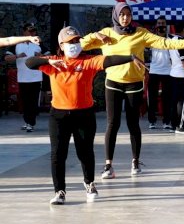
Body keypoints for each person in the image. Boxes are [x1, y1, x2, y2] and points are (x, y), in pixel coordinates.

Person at [80, 3, 184, 179]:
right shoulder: (107, 33)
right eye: (122, 15)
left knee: (133, 124)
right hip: (113, 83)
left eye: (128, 14)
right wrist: (95, 35)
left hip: (134, 83)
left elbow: (164, 42)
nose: (125, 18)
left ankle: (135, 161)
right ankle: (108, 165)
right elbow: (80, 45)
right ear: (116, 15)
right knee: (113, 124)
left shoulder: (140, 33)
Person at [26, 26, 143, 205]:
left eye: (76, 41)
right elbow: (29, 63)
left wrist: (130, 57)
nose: (74, 44)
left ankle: (89, 183)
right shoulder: (53, 62)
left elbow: (108, 60)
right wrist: (48, 62)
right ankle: (59, 191)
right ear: (61, 45)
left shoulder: (87, 61)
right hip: (58, 115)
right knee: (58, 154)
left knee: (85, 151)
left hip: (84, 114)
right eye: (70, 42)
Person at [5, 23, 49, 132]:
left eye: (34, 31)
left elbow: (49, 57)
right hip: (23, 78)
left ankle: (31, 123)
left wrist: (41, 56)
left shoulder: (39, 44)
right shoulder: (16, 44)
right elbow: (6, 58)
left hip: (36, 77)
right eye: (30, 31)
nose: (32, 33)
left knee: (33, 102)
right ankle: (27, 122)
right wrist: (17, 56)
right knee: (24, 102)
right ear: (24, 32)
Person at [146, 16, 172, 130]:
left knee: (167, 98)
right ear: (156, 25)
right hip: (154, 70)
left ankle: (166, 121)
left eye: (163, 23)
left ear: (166, 25)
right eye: (159, 23)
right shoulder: (152, 38)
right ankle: (152, 121)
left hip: (167, 71)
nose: (161, 25)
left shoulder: (170, 39)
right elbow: (144, 50)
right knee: (152, 97)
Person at [169, 23, 184, 134]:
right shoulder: (182, 42)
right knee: (183, 101)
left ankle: (174, 125)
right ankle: (181, 125)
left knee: (175, 101)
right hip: (182, 75)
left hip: (173, 74)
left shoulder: (172, 40)